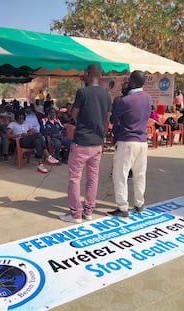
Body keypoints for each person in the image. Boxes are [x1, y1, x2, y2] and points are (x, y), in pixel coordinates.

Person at [59, 64, 111, 223]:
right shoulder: (106, 95)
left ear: (88, 74)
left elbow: (74, 114)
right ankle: (88, 212)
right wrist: (102, 138)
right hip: (97, 143)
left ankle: (75, 214)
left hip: (82, 142)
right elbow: (107, 119)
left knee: (75, 178)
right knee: (92, 178)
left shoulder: (82, 92)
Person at [106, 71, 151, 218]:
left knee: (120, 175)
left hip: (127, 141)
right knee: (140, 174)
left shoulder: (125, 101)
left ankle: (123, 207)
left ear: (131, 82)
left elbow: (113, 119)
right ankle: (139, 204)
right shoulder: (148, 98)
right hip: (142, 141)